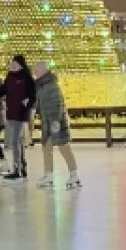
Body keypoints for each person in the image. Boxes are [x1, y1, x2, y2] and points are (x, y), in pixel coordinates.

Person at [0, 54, 35, 183]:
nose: (12, 65)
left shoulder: (26, 77)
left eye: (15, 64)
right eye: (11, 63)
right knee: (17, 141)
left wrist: (28, 103)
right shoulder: (10, 77)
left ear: (20, 65)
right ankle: (21, 168)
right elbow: (3, 90)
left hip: (20, 113)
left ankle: (17, 170)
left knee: (15, 142)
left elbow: (33, 94)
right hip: (11, 113)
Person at [32, 61, 81, 190]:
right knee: (46, 148)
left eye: (36, 71)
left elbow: (58, 103)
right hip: (47, 122)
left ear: (43, 71)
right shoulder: (40, 85)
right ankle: (49, 175)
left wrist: (55, 122)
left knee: (64, 148)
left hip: (56, 122)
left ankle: (74, 175)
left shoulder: (51, 85)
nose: (34, 73)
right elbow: (38, 103)